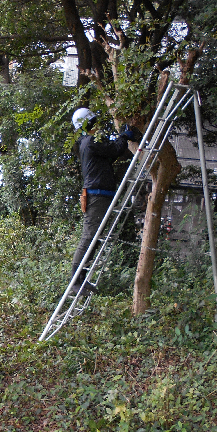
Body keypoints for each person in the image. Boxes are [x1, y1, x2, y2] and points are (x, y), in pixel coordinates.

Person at [70, 108, 141, 295]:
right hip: (97, 195)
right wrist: (124, 136)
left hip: (100, 194)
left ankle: (81, 279)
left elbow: (111, 152)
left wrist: (122, 138)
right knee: (89, 237)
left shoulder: (88, 142)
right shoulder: (90, 141)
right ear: (90, 122)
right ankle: (75, 281)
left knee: (94, 237)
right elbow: (115, 149)